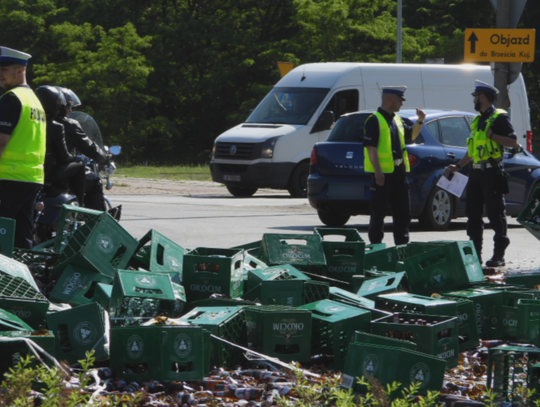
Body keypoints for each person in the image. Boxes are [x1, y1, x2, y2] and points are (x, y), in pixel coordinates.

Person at [447, 80, 517, 267]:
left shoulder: (499, 117)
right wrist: (459, 166)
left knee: (496, 214)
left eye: (476, 97)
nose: (474, 100)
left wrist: (493, 135)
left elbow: (513, 142)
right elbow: (473, 149)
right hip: (476, 173)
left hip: (492, 172)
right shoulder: (478, 119)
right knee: (473, 215)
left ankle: (499, 255)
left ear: (483, 97)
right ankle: (475, 256)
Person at [363, 86, 426, 245]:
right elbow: (371, 148)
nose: (402, 104)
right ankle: (376, 247)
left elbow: (412, 135)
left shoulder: (397, 119)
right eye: (400, 100)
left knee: (403, 213)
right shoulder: (374, 120)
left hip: (399, 172)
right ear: (390, 100)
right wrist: (378, 172)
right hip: (383, 174)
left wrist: (420, 120)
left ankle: (402, 247)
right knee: (379, 213)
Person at [0, 46, 46, 249]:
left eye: (4, 69)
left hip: (8, 177)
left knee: (3, 235)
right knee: (22, 235)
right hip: (31, 178)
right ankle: (25, 269)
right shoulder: (34, 100)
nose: (0, 74)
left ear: (21, 70)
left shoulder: (11, 99)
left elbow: (1, 141)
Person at [54, 87, 110, 211]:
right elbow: (89, 147)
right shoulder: (69, 124)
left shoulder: (36, 122)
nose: (71, 110)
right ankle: (95, 221)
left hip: (36, 174)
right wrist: (105, 158)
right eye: (68, 106)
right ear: (59, 106)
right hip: (61, 176)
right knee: (94, 180)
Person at [35, 85, 86, 207]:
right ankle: (80, 205)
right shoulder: (57, 126)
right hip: (49, 174)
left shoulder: (32, 123)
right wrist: (76, 158)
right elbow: (64, 157)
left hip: (32, 169)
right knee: (80, 164)